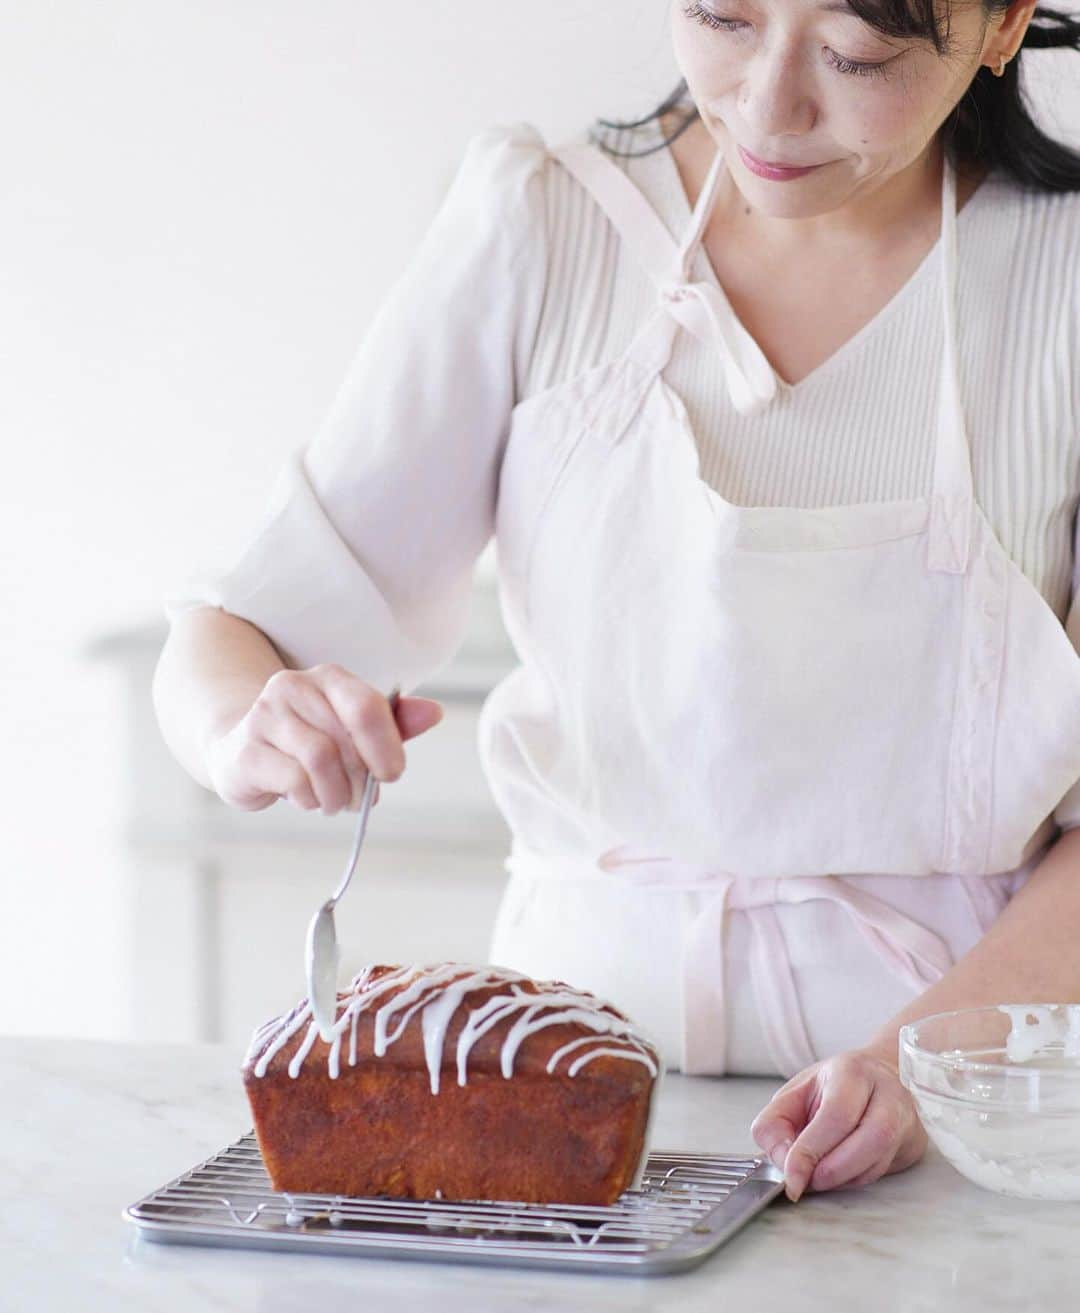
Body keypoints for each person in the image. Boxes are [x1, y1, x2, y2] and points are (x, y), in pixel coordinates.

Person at [153, 0, 1080, 1204]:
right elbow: (230, 635)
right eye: (724, 17)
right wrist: (249, 722)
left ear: (1001, 24)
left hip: (962, 1120)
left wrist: (908, 1070)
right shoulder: (548, 225)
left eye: (854, 55)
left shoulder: (1060, 279)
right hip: (547, 1118)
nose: (765, 101)